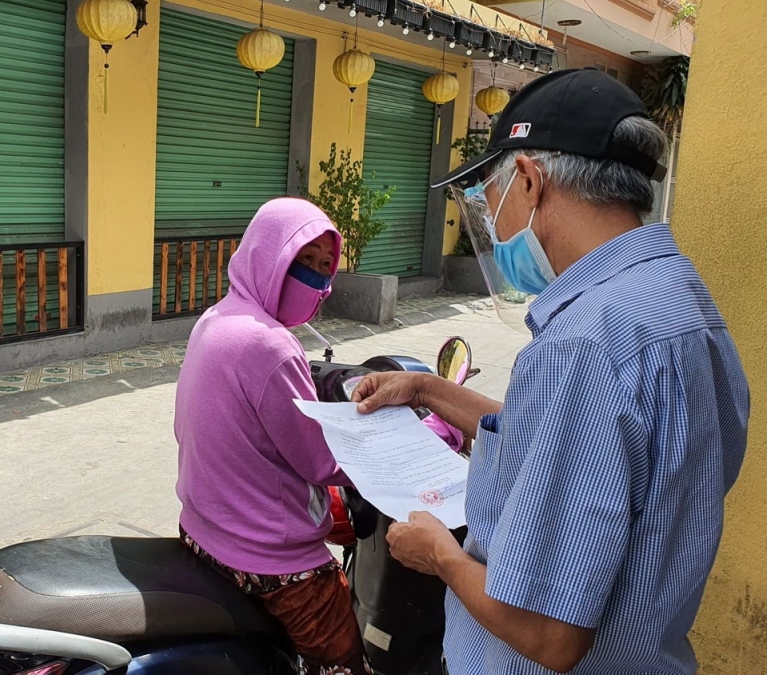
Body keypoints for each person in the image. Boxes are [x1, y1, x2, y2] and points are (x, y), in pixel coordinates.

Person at [352, 68, 749, 674]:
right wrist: (428, 388)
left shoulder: (583, 344)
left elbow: (549, 634)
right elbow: (571, 442)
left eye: (490, 207)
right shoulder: (679, 301)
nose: (492, 229)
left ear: (531, 181)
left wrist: (441, 556)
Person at [175, 198, 369, 675]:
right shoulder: (272, 345)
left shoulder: (217, 319)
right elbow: (321, 461)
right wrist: (412, 441)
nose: (318, 282)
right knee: (347, 664)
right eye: (305, 262)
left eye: (326, 268)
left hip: (204, 535)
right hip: (276, 564)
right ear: (268, 254)